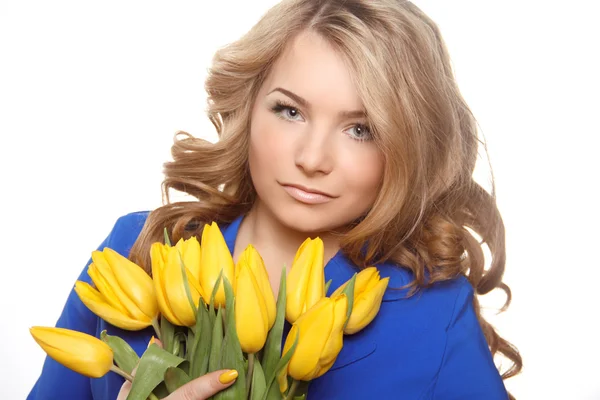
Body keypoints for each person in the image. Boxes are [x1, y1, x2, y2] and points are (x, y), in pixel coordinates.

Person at [28, 0, 523, 399]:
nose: (312, 157)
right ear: (248, 109)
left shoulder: (428, 308)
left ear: (406, 147)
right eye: (290, 111)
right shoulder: (139, 250)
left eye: (361, 129)